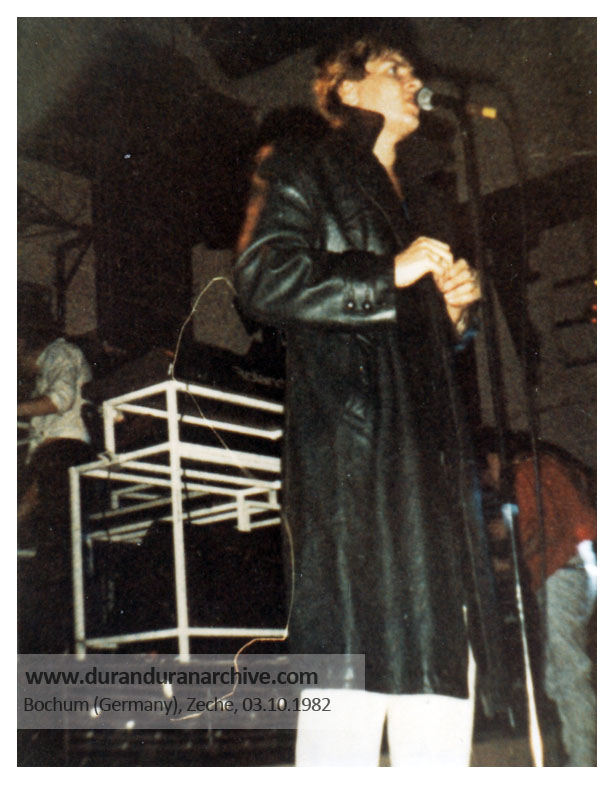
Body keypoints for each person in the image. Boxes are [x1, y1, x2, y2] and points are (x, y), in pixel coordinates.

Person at [234, 36, 502, 766]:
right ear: (344, 90)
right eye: (394, 68)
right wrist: (389, 272)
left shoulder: (414, 199)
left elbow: (408, 330)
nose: (414, 78)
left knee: (436, 665)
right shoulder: (302, 163)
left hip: (426, 463)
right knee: (347, 662)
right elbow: (261, 278)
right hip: (351, 453)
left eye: (412, 68)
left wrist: (451, 314)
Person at [478, 433, 597, 766]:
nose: (489, 479)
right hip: (565, 570)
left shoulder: (529, 472)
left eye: (487, 470)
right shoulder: (541, 469)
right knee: (558, 673)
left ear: (495, 458)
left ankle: (585, 760)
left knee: (567, 668)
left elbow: (543, 530)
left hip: (565, 570)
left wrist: (509, 549)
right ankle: (578, 751)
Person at [18, 324, 94, 652]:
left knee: (56, 558)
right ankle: (58, 645)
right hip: (55, 459)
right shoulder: (47, 368)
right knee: (55, 555)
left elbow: (60, 400)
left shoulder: (58, 352)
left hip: (64, 453)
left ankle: (52, 647)